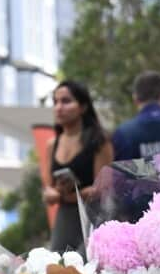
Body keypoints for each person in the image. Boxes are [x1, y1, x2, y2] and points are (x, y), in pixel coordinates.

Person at [40, 81, 113, 252]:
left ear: (83, 107)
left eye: (66, 101)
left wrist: (76, 193)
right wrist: (51, 193)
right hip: (65, 216)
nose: (59, 107)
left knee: (84, 269)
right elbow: (48, 187)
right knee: (57, 267)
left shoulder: (99, 141)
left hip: (93, 217)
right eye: (55, 102)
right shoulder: (52, 144)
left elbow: (104, 188)